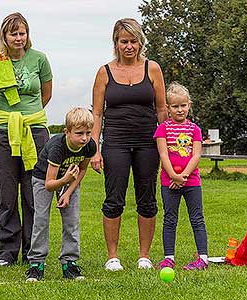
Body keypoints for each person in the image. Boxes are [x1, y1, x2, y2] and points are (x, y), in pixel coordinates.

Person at [90, 18, 168, 271]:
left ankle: (144, 256)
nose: (129, 46)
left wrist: (166, 146)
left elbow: (162, 110)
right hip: (116, 143)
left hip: (148, 143)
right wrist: (96, 149)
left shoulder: (152, 69)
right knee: (114, 198)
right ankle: (113, 257)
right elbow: (98, 114)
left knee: (147, 198)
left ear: (140, 42)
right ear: (116, 43)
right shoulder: (105, 72)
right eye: (124, 41)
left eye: (134, 41)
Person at [0, 12, 53, 266]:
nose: (19, 38)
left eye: (22, 33)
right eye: (14, 33)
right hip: (3, 132)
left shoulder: (40, 60)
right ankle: (6, 252)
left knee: (34, 194)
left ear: (27, 34)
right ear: (5, 36)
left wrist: (26, 115)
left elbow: (46, 94)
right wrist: (10, 116)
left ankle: (33, 251)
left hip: (34, 131)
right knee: (7, 194)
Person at [25, 108, 96, 282]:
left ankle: (69, 263)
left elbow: (83, 169)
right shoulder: (58, 147)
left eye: (88, 133)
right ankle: (36, 264)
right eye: (79, 133)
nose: (84, 138)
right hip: (44, 180)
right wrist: (64, 180)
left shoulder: (89, 146)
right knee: (41, 220)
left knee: (72, 220)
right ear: (67, 132)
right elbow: (49, 185)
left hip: (69, 180)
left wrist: (68, 192)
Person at [154, 82, 208, 270]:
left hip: (192, 182)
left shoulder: (195, 129)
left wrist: (183, 176)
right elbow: (163, 154)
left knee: (197, 218)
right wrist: (173, 176)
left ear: (189, 105)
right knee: (170, 219)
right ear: (168, 108)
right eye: (175, 106)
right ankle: (169, 258)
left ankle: (203, 258)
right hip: (169, 183)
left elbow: (196, 155)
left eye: (183, 105)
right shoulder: (163, 129)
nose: (179, 110)